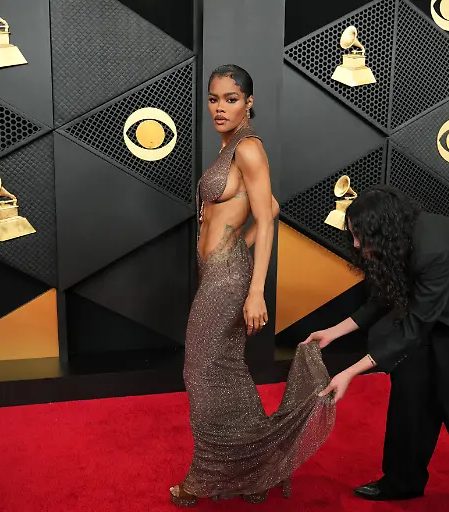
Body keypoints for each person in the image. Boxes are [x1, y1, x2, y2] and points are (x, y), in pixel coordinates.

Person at [303, 185, 449, 504]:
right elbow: (383, 295)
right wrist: (334, 331)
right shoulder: (397, 238)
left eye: (362, 237)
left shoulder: (432, 248)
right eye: (354, 235)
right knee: (411, 386)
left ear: (384, 230)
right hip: (447, 308)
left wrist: (350, 372)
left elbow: (414, 328)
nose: (357, 245)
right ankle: (402, 481)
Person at [169, 64, 335, 507]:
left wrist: (256, 288)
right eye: (214, 98)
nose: (220, 107)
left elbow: (267, 221)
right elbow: (270, 207)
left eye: (230, 99)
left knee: (199, 371)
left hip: (230, 278)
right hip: (220, 270)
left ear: (249, 102)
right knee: (223, 369)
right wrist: (236, 245)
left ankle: (206, 476)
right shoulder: (230, 148)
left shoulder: (248, 149)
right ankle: (259, 468)